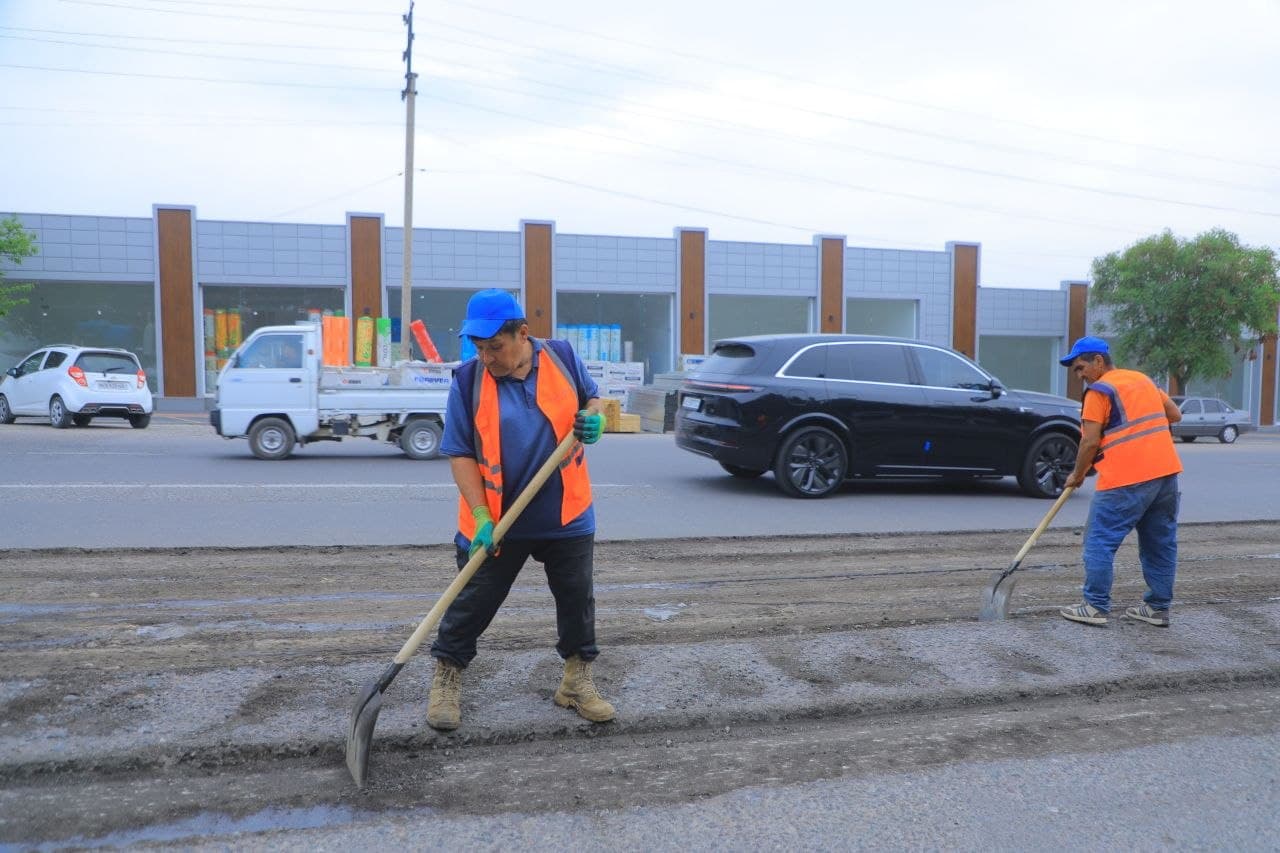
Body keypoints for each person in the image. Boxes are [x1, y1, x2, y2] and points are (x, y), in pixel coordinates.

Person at [426, 288, 613, 731]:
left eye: (495, 347)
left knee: (575, 600)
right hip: (495, 521)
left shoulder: (563, 358)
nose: (487, 357)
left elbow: (591, 397)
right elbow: (460, 453)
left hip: (565, 512)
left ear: (522, 333)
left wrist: (594, 417)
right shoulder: (469, 381)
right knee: (472, 602)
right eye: (479, 347)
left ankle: (575, 680)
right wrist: (481, 517)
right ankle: (447, 676)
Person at [1058, 336, 1183, 627]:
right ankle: (1157, 609)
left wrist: (1076, 476)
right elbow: (1174, 414)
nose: (1080, 376)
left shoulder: (1098, 392)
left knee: (1099, 540)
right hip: (1165, 475)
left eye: (1080, 368)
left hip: (1125, 479)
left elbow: (1088, 443)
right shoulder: (1143, 380)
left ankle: (1095, 606)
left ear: (1098, 362)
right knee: (1160, 543)